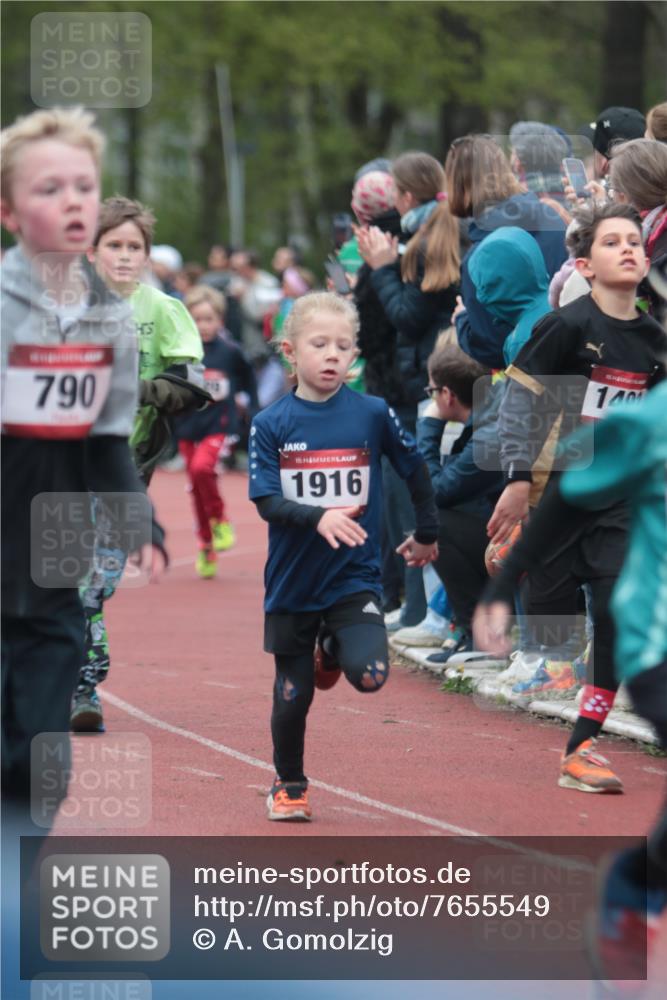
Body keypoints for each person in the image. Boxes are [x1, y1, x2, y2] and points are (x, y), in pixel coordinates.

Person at [473, 381, 667, 985]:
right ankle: (634, 891)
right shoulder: (651, 420)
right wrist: (502, 585)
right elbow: (565, 499)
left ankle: (635, 888)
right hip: (655, 636)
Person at [488, 201, 666, 793]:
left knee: (615, 617)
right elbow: (518, 402)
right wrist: (517, 480)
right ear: (585, 266)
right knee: (554, 628)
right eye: (612, 242)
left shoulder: (654, 341)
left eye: (635, 242)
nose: (628, 249)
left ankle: (583, 744)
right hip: (558, 495)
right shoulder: (566, 327)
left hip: (620, 503)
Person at [1, 107, 143, 825]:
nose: (72, 202)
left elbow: (107, 439)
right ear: (8, 212)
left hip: (56, 566)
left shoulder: (110, 319)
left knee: (39, 764)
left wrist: (133, 511)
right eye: (48, 188)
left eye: (84, 187)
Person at [248, 292, 438, 821]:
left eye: (343, 345)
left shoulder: (372, 413)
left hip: (354, 576)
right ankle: (289, 784)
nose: (332, 354)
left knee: (371, 675)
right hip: (293, 581)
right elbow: (266, 501)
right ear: (290, 351)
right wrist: (319, 516)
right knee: (293, 692)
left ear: (355, 354)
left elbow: (414, 468)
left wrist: (427, 531)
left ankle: (332, 647)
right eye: (319, 344)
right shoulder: (271, 422)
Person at [71, 195, 208, 732]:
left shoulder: (162, 309)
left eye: (135, 247)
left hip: (126, 466)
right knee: (64, 582)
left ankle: (78, 684)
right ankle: (78, 686)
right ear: (91, 252)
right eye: (114, 246)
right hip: (61, 463)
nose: (125, 256)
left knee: (94, 585)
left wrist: (139, 389)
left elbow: (193, 387)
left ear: (147, 254)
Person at [357, 151, 459, 631]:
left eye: (397, 193)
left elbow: (407, 317)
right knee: (414, 493)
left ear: (407, 195)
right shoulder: (430, 232)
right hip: (424, 379)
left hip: (426, 383)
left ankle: (429, 611)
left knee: (416, 495)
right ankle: (422, 609)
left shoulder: (428, 241)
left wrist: (381, 268)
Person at [444, 134, 567, 369]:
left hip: (525, 372)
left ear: (458, 183)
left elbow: (492, 347)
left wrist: (462, 319)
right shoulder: (552, 218)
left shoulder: (481, 255)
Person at [416, 342, 503, 663]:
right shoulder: (486, 417)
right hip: (509, 535)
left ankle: (478, 636)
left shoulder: (488, 432)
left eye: (432, 391)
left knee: (435, 522)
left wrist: (428, 427)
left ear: (447, 395)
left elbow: (433, 492)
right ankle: (465, 628)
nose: (431, 399)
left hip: (522, 545)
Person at [174, 284, 258, 578]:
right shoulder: (181, 351)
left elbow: (249, 377)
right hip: (187, 426)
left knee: (202, 469)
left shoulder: (230, 352)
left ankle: (220, 519)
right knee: (196, 487)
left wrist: (253, 408)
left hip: (219, 426)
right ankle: (206, 545)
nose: (203, 326)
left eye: (209, 319)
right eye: (197, 319)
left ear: (220, 320)